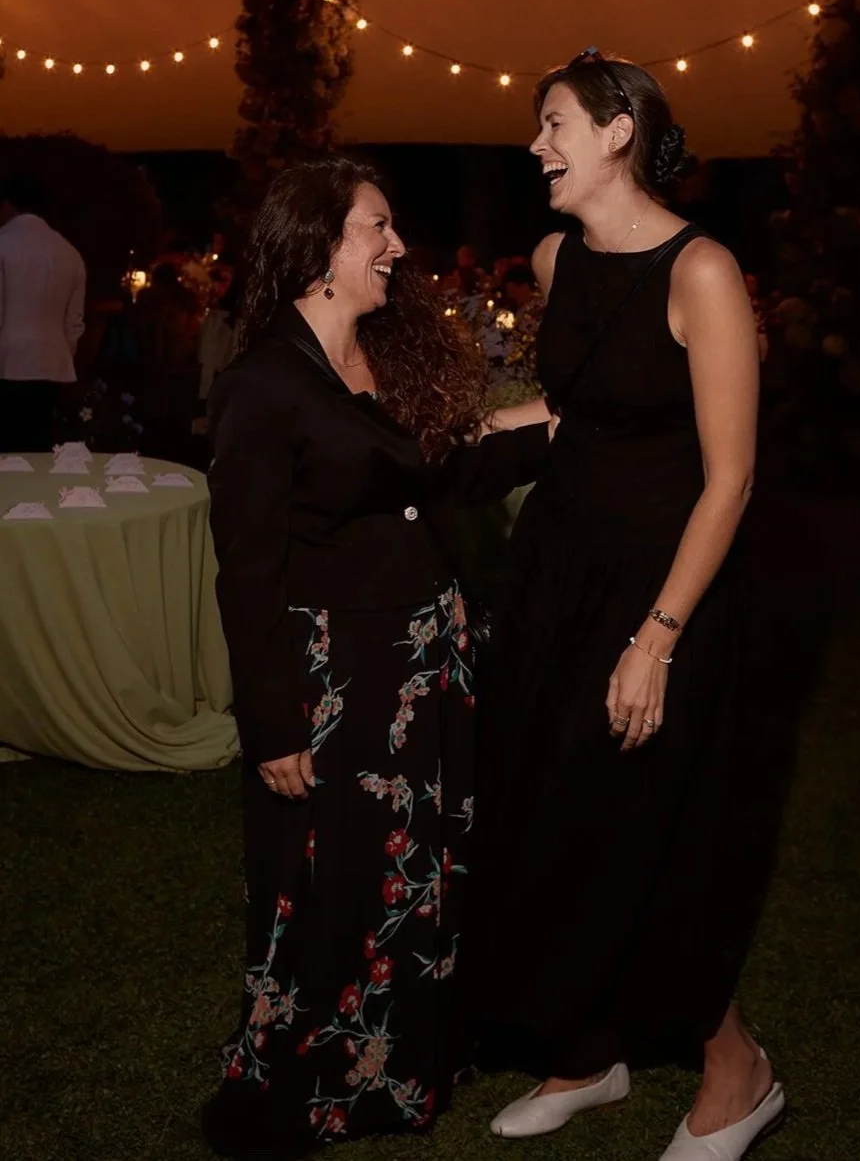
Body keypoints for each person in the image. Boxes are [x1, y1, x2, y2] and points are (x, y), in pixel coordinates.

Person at [202, 155, 551, 1161]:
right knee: (332, 876)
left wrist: (557, 429)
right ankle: (317, 1075)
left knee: (417, 873)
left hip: (421, 661)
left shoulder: (381, 358)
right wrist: (270, 722)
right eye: (378, 227)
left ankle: (404, 1064)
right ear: (319, 247)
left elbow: (445, 472)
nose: (398, 245)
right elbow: (246, 573)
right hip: (333, 673)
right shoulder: (261, 386)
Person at [473, 51, 786, 1161]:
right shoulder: (558, 258)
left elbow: (731, 476)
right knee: (549, 806)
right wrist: (436, 427)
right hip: (557, 569)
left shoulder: (703, 270)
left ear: (617, 132)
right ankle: (587, 1049)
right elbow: (569, 408)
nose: (535, 144)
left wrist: (658, 637)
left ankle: (735, 1070)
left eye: (552, 121)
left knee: (649, 833)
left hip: (665, 585)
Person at [0, 175, 86, 452]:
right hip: (53, 363)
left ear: (8, 205)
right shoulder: (69, 251)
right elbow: (74, 322)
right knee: (38, 447)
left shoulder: (3, 243)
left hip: (8, 361)